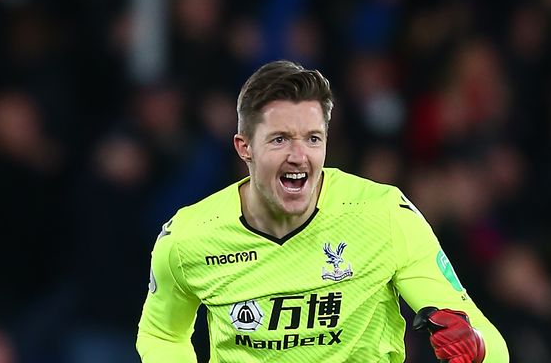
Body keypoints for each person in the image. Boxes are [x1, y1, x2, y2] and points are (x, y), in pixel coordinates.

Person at [136, 60, 510, 362]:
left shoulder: (384, 216)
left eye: (313, 139)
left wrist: (474, 346)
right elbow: (162, 334)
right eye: (280, 139)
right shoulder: (188, 237)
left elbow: (490, 344)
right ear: (244, 147)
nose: (299, 156)